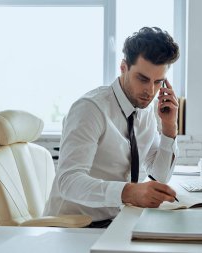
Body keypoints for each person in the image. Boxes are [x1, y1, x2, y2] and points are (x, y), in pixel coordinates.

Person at [44, 27, 180, 228]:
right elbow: (68, 182)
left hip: (117, 221)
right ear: (123, 68)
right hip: (73, 227)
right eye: (142, 79)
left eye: (158, 82)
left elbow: (159, 176)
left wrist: (169, 127)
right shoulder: (90, 109)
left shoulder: (145, 112)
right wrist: (129, 192)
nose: (150, 91)